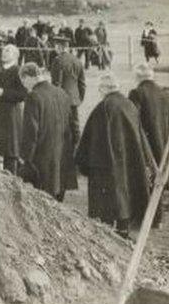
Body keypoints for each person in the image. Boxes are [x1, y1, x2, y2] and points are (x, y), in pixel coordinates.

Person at [75, 74, 157, 238]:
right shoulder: (129, 105)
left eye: (100, 88)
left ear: (104, 89)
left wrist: (81, 161)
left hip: (106, 163)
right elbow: (140, 135)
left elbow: (91, 138)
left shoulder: (103, 107)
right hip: (129, 161)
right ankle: (123, 229)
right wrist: (148, 160)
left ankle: (106, 233)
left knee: (106, 200)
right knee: (125, 194)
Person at [18, 63, 78, 201]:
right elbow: (73, 126)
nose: (24, 86)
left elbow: (31, 132)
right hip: (62, 160)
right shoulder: (62, 93)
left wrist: (25, 158)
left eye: (23, 81)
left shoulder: (33, 97)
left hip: (42, 163)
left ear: (28, 77)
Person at [0, 44, 25, 174]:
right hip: (2, 114)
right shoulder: (2, 70)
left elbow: (22, 94)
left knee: (12, 149)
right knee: (4, 149)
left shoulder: (18, 70)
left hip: (12, 114)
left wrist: (3, 93)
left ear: (15, 55)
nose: (4, 52)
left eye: (7, 51)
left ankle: (14, 177)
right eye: (3, 50)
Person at [129, 63, 169, 161]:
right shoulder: (164, 92)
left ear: (137, 77)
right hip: (165, 141)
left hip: (147, 144)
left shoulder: (136, 93)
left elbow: (133, 120)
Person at [49, 38, 86, 142]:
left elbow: (56, 82)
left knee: (61, 127)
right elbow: (82, 83)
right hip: (74, 99)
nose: (55, 48)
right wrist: (79, 98)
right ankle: (77, 149)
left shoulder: (57, 61)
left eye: (56, 46)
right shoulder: (77, 60)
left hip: (61, 98)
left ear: (59, 47)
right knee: (75, 127)